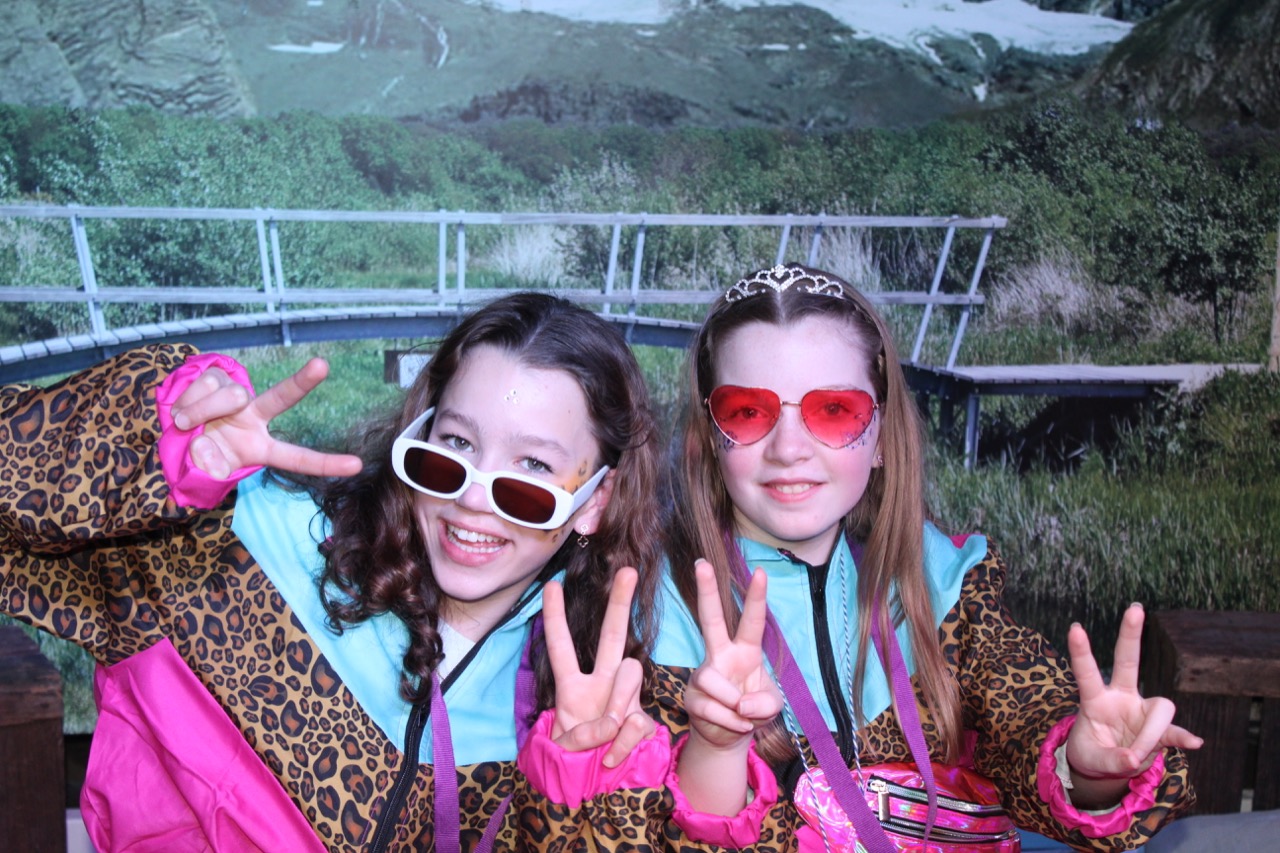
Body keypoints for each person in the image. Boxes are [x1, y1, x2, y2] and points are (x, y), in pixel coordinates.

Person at [0, 292, 665, 852]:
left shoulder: (588, 691)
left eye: (533, 470)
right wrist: (156, 447)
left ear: (594, 501)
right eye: (457, 444)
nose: (471, 497)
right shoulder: (248, 546)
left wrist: (574, 780)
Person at [642, 262, 1202, 851]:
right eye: (747, 411)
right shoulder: (653, 613)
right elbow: (645, 827)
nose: (788, 449)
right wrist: (717, 747)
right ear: (708, 441)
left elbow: (1025, 716)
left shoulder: (946, 582)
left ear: (882, 438)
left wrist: (1086, 767)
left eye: (833, 410)